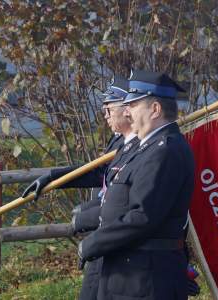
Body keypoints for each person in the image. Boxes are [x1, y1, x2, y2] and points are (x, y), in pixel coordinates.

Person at [78, 70, 195, 300]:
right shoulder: (147, 147)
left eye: (133, 105)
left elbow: (143, 215)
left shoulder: (165, 151)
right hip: (130, 272)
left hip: (147, 277)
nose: (127, 111)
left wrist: (95, 242)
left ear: (155, 110)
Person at [22, 75, 140, 300]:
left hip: (122, 245)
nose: (105, 115)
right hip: (102, 238)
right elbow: (100, 173)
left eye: (109, 108)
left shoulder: (144, 146)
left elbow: (134, 202)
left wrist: (94, 214)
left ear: (128, 109)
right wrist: (53, 178)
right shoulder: (120, 141)